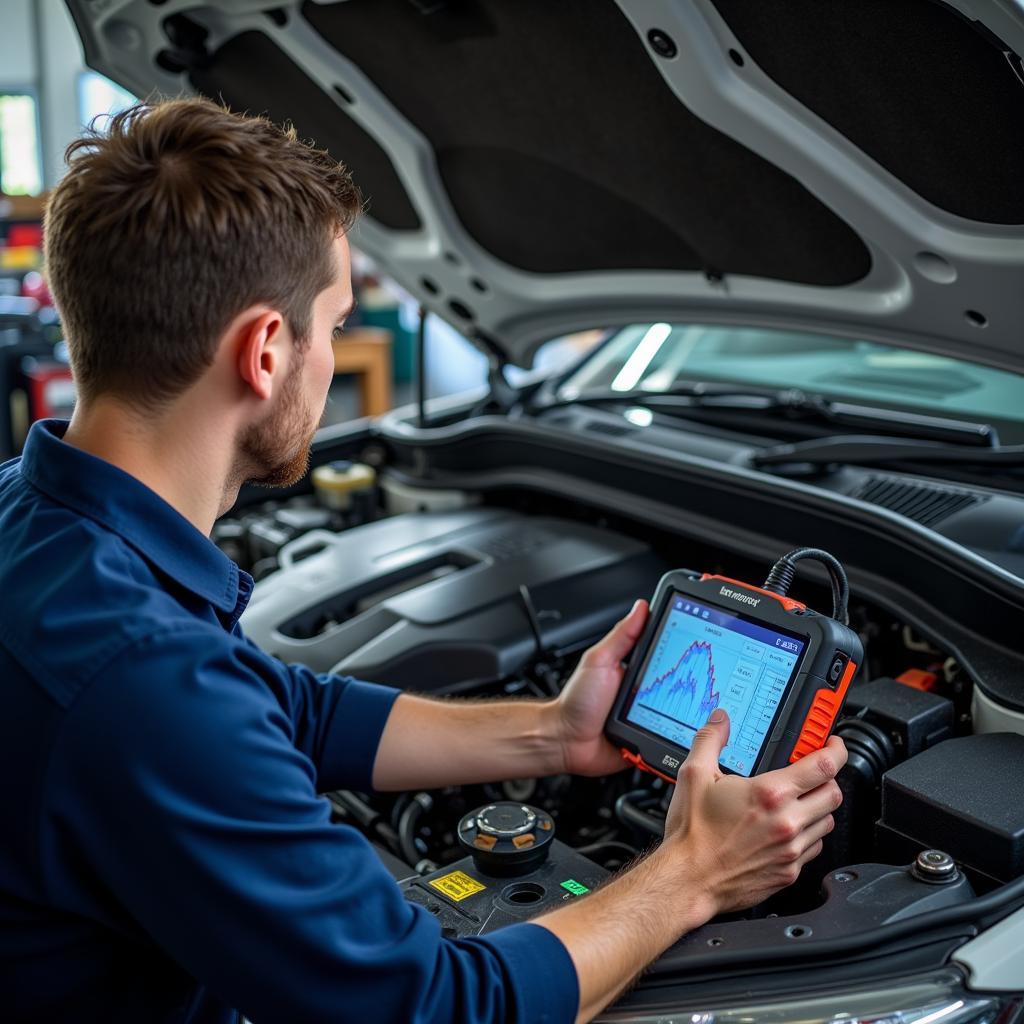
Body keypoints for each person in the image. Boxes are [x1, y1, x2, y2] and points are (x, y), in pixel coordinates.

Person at [0, 98, 846, 1024]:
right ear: (267, 351)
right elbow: (434, 1008)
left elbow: (281, 707)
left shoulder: (36, 517)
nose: (332, 355)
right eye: (332, 324)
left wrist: (553, 734)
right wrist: (696, 873)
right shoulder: (138, 675)